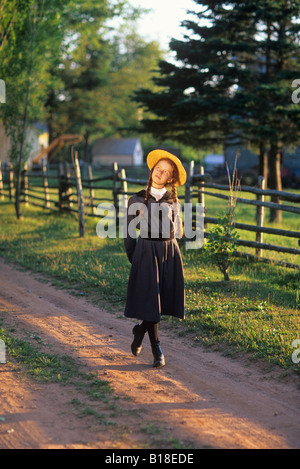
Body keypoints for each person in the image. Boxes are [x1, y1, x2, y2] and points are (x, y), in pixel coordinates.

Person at [123, 149, 187, 368]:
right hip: (146, 253)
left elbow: (178, 231)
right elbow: (130, 234)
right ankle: (157, 348)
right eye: (158, 168)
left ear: (170, 178)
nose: (160, 173)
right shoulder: (136, 199)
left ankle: (140, 330)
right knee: (152, 300)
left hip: (169, 253)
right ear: (152, 170)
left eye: (166, 171)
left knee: (159, 301)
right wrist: (136, 258)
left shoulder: (173, 201)